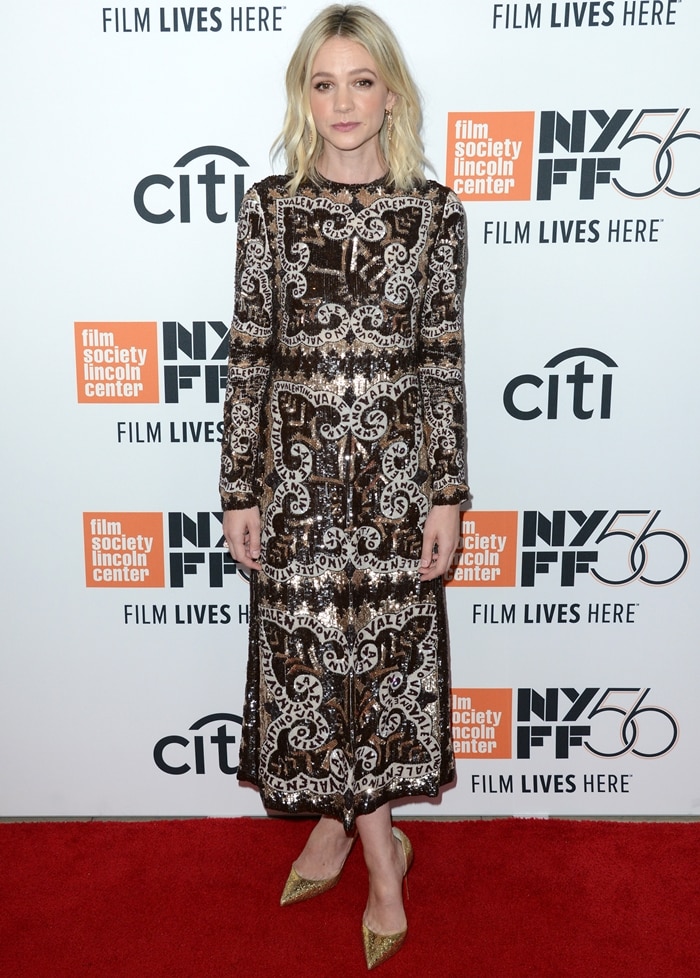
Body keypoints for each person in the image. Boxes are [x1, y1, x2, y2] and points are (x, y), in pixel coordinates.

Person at [220, 4, 469, 969]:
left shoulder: (437, 214)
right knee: (313, 670)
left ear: (392, 92)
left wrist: (448, 492)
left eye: (360, 80)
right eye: (323, 84)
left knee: (387, 674)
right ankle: (377, 849)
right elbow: (248, 354)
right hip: (296, 484)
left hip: (399, 485)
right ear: (303, 98)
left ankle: (363, 848)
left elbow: (443, 359)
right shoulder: (269, 207)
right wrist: (240, 488)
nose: (342, 101)